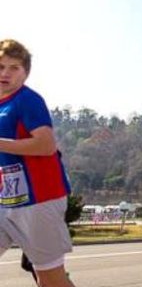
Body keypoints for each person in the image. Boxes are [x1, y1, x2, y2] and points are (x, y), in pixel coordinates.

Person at [0, 39, 75, 287]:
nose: (5, 73)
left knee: (50, 280)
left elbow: (46, 145)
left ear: (25, 73)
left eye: (14, 68)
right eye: (1, 67)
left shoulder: (27, 100)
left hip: (39, 200)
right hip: (6, 201)